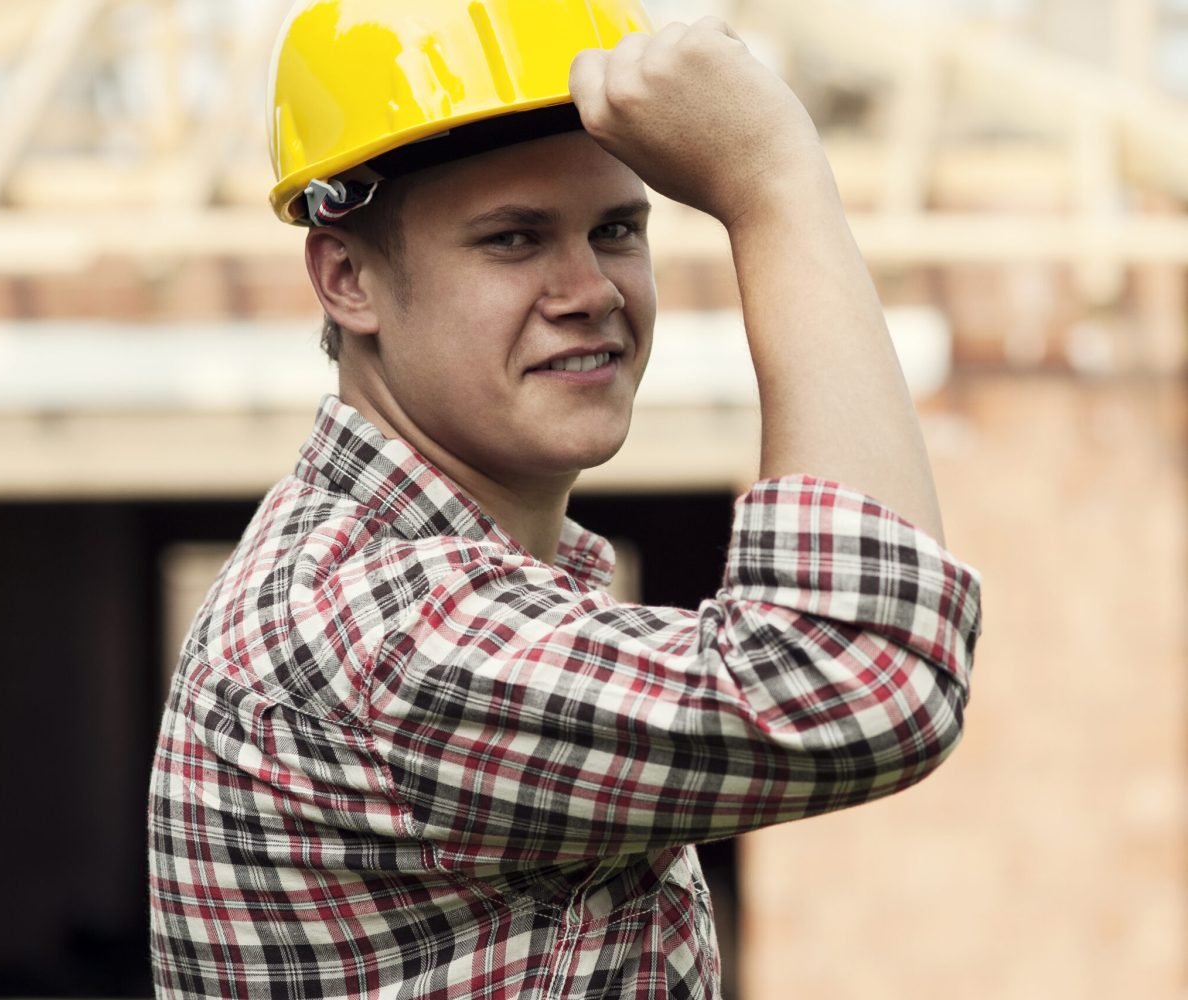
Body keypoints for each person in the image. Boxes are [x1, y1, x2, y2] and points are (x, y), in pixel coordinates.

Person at [148, 1, 983, 996]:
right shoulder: (375, 621)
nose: (589, 287)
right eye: (513, 239)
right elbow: (863, 675)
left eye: (617, 228)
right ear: (348, 277)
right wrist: (773, 184)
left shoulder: (469, 581)